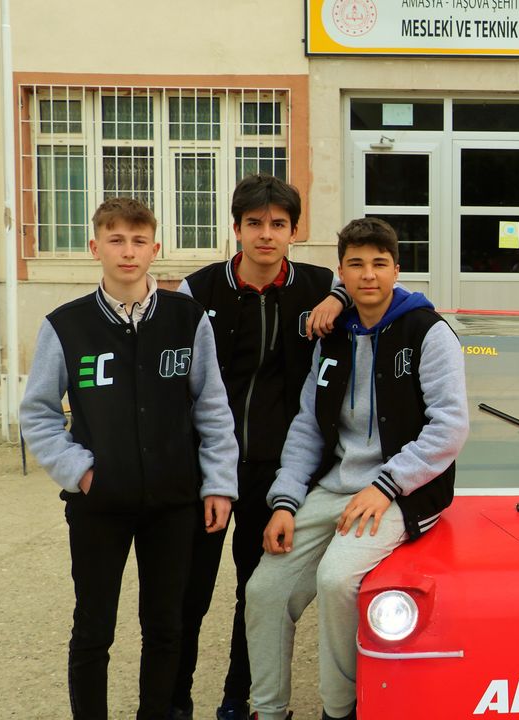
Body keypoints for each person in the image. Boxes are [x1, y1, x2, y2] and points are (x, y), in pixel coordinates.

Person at [20, 197, 238, 720]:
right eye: (115, 240)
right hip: (100, 504)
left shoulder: (186, 319)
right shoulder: (66, 326)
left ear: (154, 248)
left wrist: (218, 483)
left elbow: (212, 407)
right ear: (94, 247)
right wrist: (81, 473)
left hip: (173, 502)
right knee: (94, 628)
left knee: (165, 626)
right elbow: (38, 413)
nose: (128, 251)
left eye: (139, 241)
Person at [244, 217, 468, 720]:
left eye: (379, 264)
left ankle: (340, 708)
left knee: (336, 579)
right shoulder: (333, 337)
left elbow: (450, 428)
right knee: (265, 590)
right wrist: (285, 502)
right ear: (340, 273)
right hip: (333, 487)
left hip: (402, 490)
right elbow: (307, 426)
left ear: (397, 270)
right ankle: (269, 710)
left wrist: (386, 486)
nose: (368, 274)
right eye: (356, 264)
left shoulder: (428, 332)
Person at [170, 174, 348, 720]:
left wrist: (338, 297)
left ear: (294, 231)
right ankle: (175, 701)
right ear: (236, 229)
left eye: (277, 224)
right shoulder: (199, 291)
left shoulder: (318, 286)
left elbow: (377, 287)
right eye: (254, 224)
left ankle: (236, 698)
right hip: (205, 471)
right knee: (188, 596)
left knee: (256, 594)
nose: (265, 235)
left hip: (276, 474)